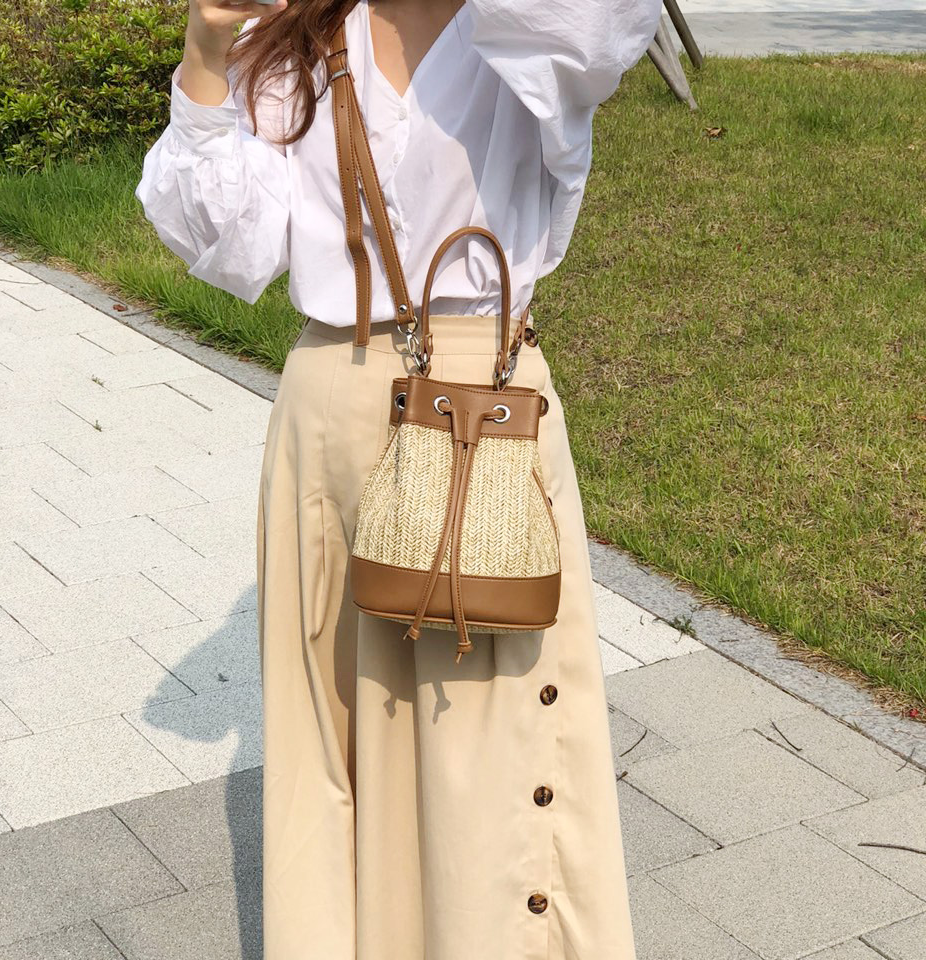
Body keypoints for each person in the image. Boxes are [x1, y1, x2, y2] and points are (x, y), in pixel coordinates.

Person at [135, 0, 662, 957]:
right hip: (329, 410)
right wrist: (207, 53)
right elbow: (235, 246)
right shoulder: (301, 33)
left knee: (492, 754)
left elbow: (601, 27)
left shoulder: (532, 26)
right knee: (329, 749)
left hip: (483, 407)